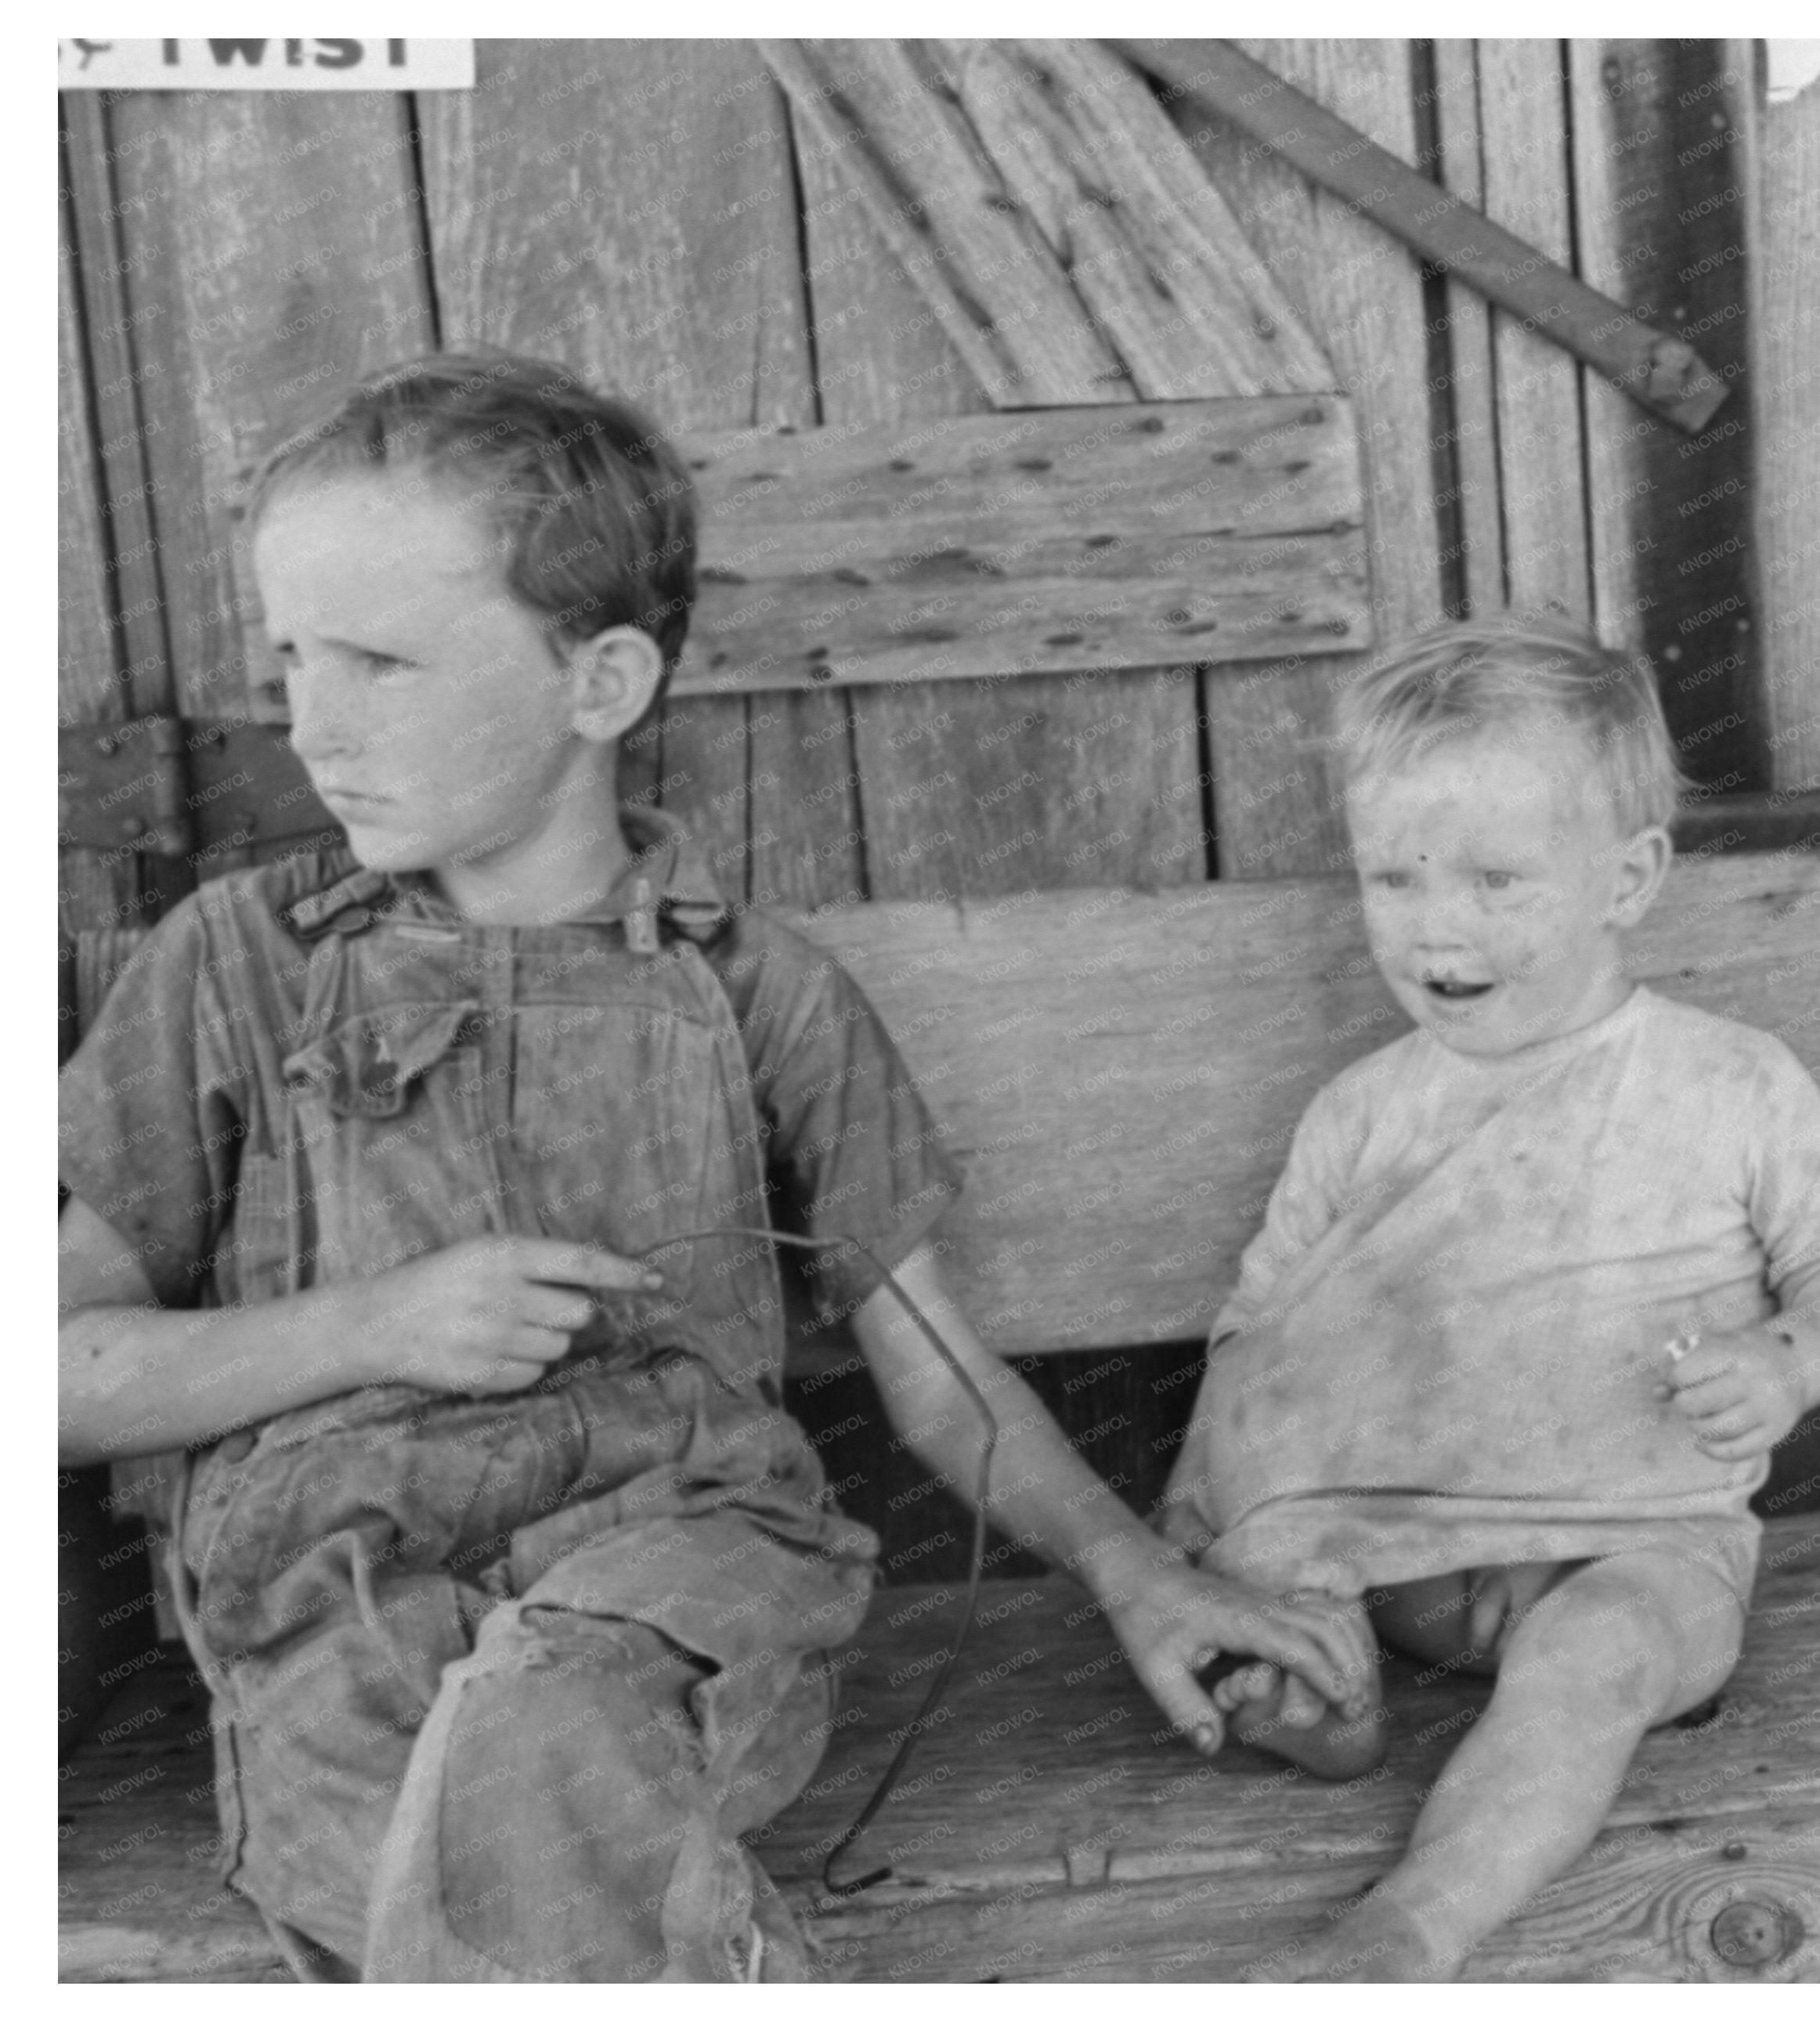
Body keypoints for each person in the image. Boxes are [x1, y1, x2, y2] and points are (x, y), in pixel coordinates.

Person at [55, 352, 1368, 1983]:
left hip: (680, 1583)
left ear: (600, 683)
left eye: (381, 663)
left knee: (541, 1725)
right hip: (341, 1609)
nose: (311, 725)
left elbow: (938, 1372)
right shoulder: (231, 970)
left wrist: (1138, 1577)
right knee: (465, 1863)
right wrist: (373, 1328)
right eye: (292, 658)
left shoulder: (757, 987)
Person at [1156, 614, 1820, 1980]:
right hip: (1398, 1538)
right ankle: (1318, 1672)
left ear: (1628, 878)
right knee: (1261, 1561)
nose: (1436, 925)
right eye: (1393, 876)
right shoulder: (1362, 1113)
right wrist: (1266, 1516)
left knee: (1597, 1658)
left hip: (1643, 1541)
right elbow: (1256, 1340)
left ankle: (1411, 1925)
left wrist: (1791, 1359)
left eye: (1497, 879)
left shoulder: (1727, 1082)